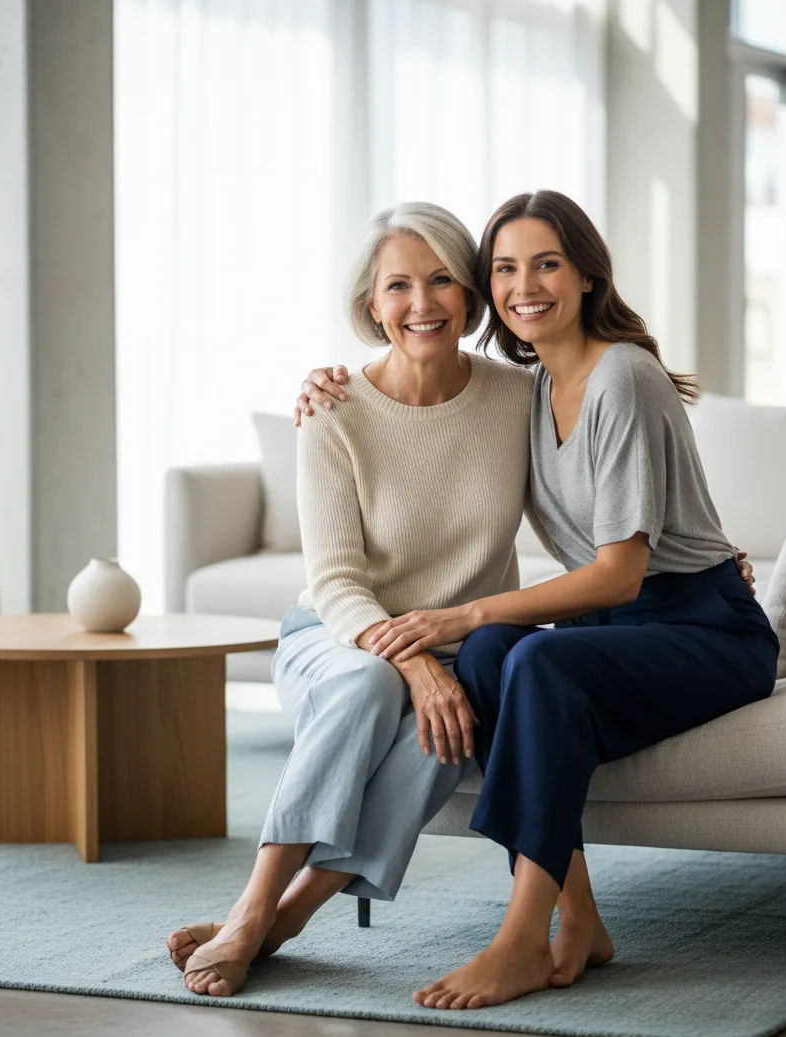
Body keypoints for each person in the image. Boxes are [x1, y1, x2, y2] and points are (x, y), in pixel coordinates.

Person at [296, 189, 774, 1010]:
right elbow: (421, 403)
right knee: (489, 658)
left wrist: (468, 611)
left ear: (587, 275)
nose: (526, 285)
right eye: (507, 268)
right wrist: (325, 385)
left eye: (547, 263)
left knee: (525, 653)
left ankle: (522, 937)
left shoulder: (621, 375)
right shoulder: (524, 390)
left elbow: (625, 573)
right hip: (622, 626)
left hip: (705, 627)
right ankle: (580, 919)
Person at [167, 201, 544, 997]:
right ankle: (252, 907)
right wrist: (413, 664)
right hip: (337, 639)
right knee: (380, 682)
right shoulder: (334, 408)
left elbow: (585, 516)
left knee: (457, 714)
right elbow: (337, 580)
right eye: (398, 285)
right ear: (371, 304)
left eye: (442, 280)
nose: (422, 303)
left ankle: (288, 918)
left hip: (460, 646)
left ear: (470, 294)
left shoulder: (518, 399)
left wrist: (685, 566)